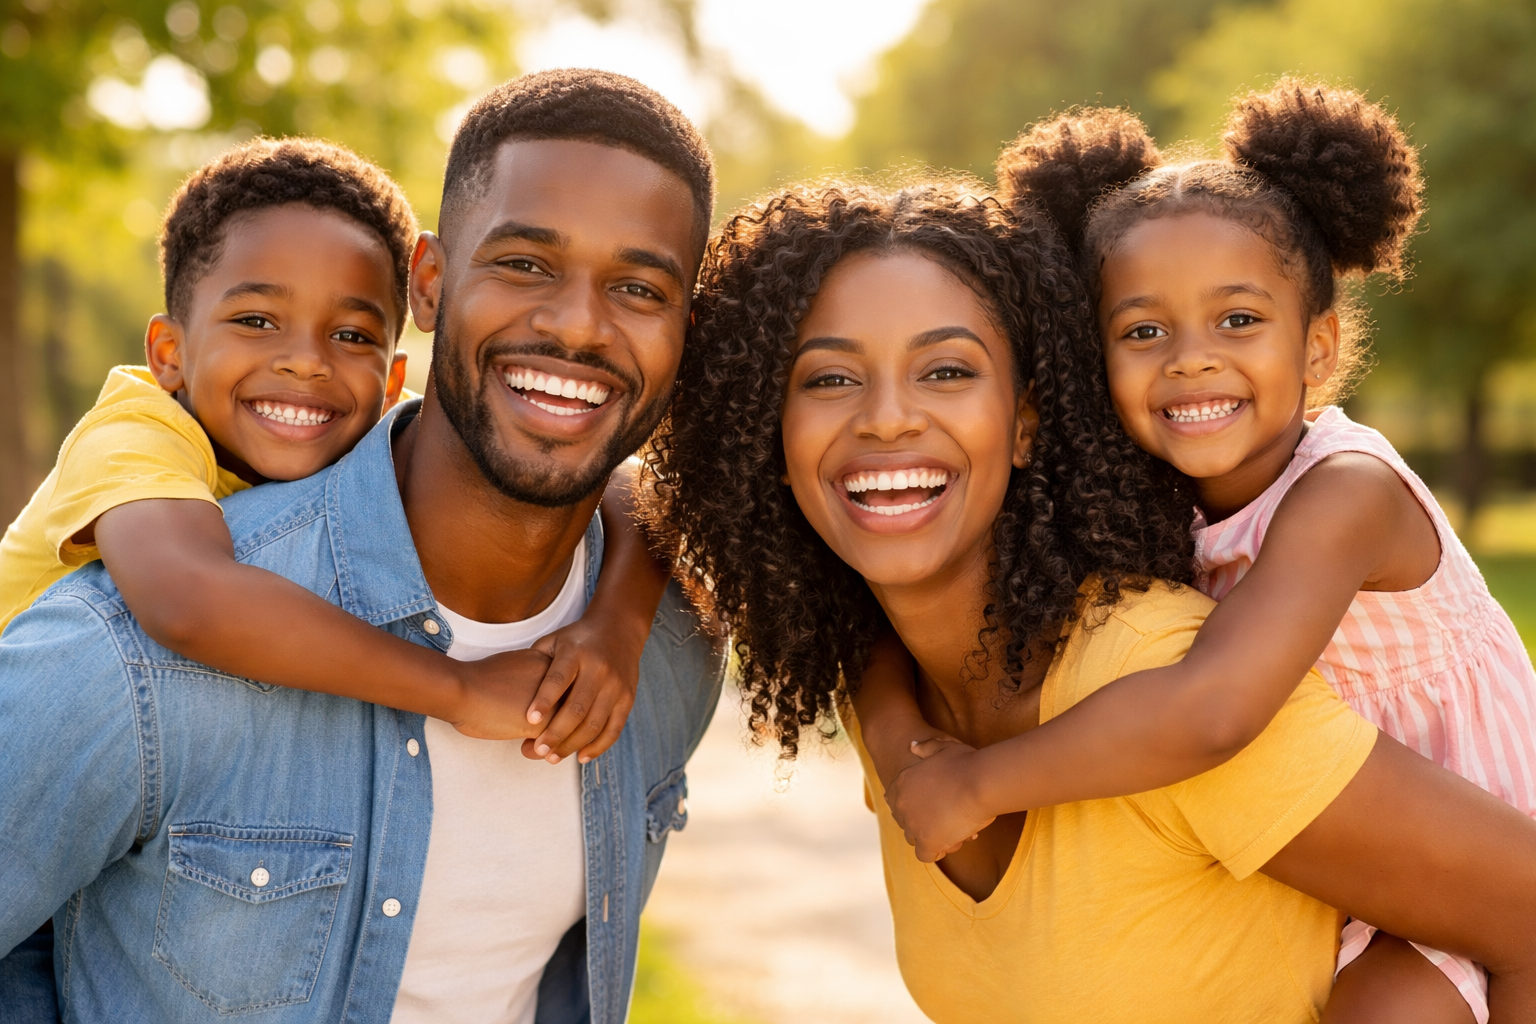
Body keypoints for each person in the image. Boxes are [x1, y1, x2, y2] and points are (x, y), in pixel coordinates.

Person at [641, 176, 1536, 1022]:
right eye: (829, 378)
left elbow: (1212, 710)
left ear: (1031, 420)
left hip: (1470, 807)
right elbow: (647, 514)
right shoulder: (900, 669)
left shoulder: (1266, 567)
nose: (886, 418)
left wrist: (980, 780)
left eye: (946, 371)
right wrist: (891, 732)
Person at [0, 69, 722, 1024]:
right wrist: (460, 691)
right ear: (430, 283)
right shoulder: (132, 649)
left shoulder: (669, 655)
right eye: (525, 264)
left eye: (638, 287)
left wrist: (623, 620)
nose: (577, 323)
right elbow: (185, 602)